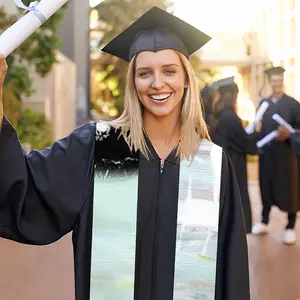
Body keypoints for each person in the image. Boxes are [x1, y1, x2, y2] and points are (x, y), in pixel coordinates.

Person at [0, 6, 250, 300]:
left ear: (186, 79)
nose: (158, 83)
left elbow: (231, 270)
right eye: (145, 73)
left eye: (169, 70)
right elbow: (25, 191)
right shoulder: (98, 147)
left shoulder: (212, 163)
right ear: (133, 82)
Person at [252, 66, 300, 245]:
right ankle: (264, 221)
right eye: (273, 80)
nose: (276, 83)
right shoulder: (264, 104)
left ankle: (290, 226)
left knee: (291, 189)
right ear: (270, 82)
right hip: (268, 156)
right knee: (266, 186)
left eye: (279, 80)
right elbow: (258, 128)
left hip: (287, 156)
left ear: (283, 81)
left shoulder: (293, 104)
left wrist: (290, 134)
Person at [212, 76, 258, 233]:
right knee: (235, 201)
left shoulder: (217, 115)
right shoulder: (230, 117)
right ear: (232, 96)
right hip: (234, 164)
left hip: (222, 163)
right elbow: (245, 142)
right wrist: (256, 131)